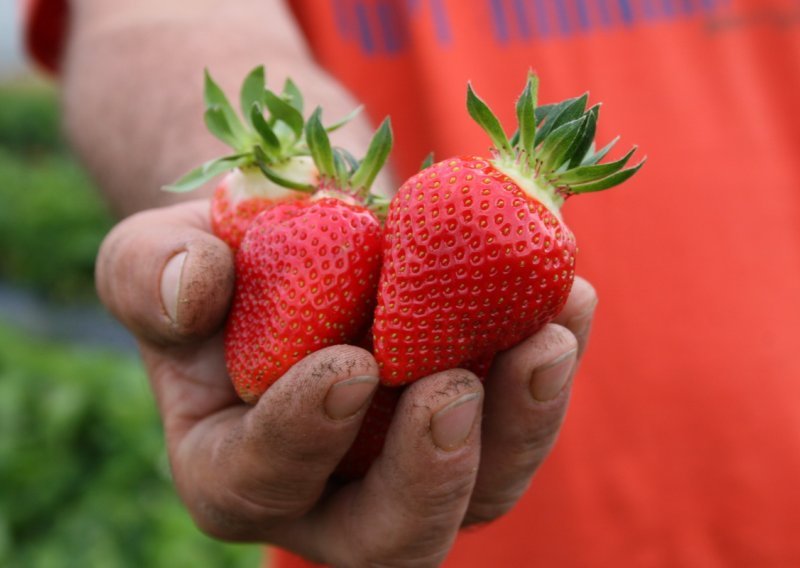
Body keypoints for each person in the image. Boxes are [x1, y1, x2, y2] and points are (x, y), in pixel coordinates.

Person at [25, 0, 800, 566]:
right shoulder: (474, 222)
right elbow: (154, 21)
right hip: (386, 488)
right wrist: (294, 179)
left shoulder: (514, 235)